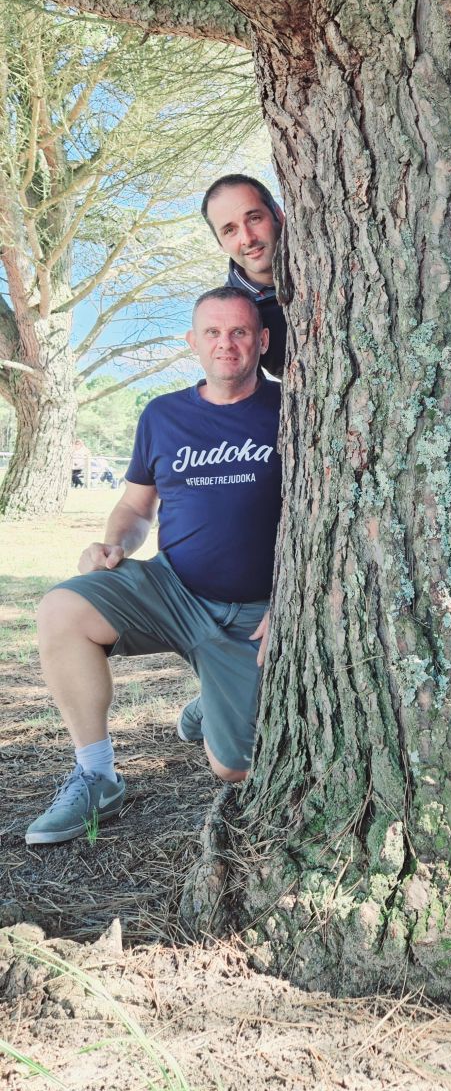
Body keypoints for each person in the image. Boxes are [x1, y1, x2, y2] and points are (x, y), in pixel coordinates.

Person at [26, 288, 282, 845]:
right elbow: (135, 507)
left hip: (257, 612)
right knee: (62, 609)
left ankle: (207, 706)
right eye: (212, 333)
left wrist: (294, 597)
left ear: (262, 341)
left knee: (234, 767)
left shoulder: (293, 408)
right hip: (172, 589)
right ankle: (96, 775)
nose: (226, 344)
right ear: (192, 343)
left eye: (240, 332)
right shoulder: (162, 415)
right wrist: (113, 544)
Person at [201, 174, 288, 380]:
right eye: (230, 230)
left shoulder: (330, 255)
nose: (248, 238)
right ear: (220, 244)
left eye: (254, 218)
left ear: (279, 214)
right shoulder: (233, 317)